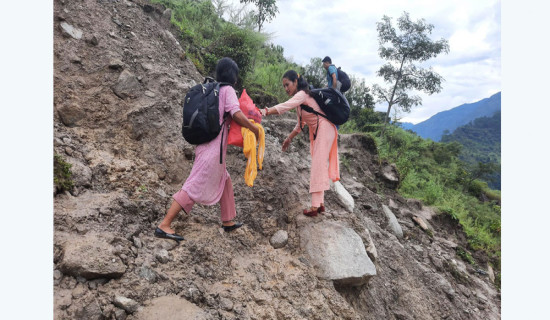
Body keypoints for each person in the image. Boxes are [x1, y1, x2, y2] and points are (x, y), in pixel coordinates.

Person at [155, 57, 260, 241]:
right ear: (233, 77)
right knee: (194, 185)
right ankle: (164, 225)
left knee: (224, 178)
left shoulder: (215, 90)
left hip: (207, 146)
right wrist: (254, 129)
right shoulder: (228, 91)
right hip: (212, 151)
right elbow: (236, 114)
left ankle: (227, 221)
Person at [260, 70, 340, 217]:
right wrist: (288, 139)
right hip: (321, 131)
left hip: (325, 129)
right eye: (284, 86)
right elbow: (299, 126)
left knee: (317, 165)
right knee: (319, 165)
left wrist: (264, 112)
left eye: (287, 85)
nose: (286, 89)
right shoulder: (300, 103)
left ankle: (315, 206)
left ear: (296, 82)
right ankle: (320, 204)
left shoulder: (302, 95)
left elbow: (284, 107)